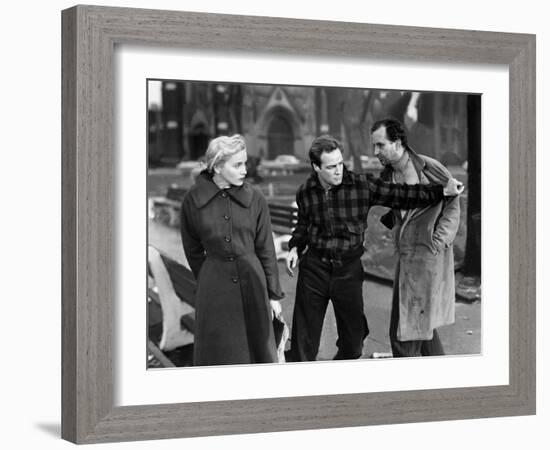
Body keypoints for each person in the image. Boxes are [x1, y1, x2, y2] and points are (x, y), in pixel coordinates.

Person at [285, 135, 464, 362]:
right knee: (303, 346)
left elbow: (403, 195)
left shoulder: (361, 185)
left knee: (353, 344)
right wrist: (294, 247)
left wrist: (441, 192)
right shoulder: (305, 192)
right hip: (314, 270)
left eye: (340, 164)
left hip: (347, 271)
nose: (339, 171)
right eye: (331, 167)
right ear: (316, 167)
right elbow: (303, 225)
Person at [180, 134, 284, 366]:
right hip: (214, 290)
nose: (244, 170)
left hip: (253, 283)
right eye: (237, 165)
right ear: (217, 166)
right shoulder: (193, 200)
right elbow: (192, 248)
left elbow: (266, 247)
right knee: (219, 354)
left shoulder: (255, 198)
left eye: (245, 163)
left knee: (259, 352)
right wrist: (210, 276)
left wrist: (273, 294)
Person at [372, 118, 460, 357]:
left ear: (397, 142)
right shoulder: (387, 178)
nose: (375, 152)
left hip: (428, 257)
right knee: (420, 327)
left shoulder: (430, 168)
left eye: (380, 145)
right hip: (405, 258)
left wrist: (439, 240)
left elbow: (453, 203)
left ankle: (410, 385)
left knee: (405, 333)